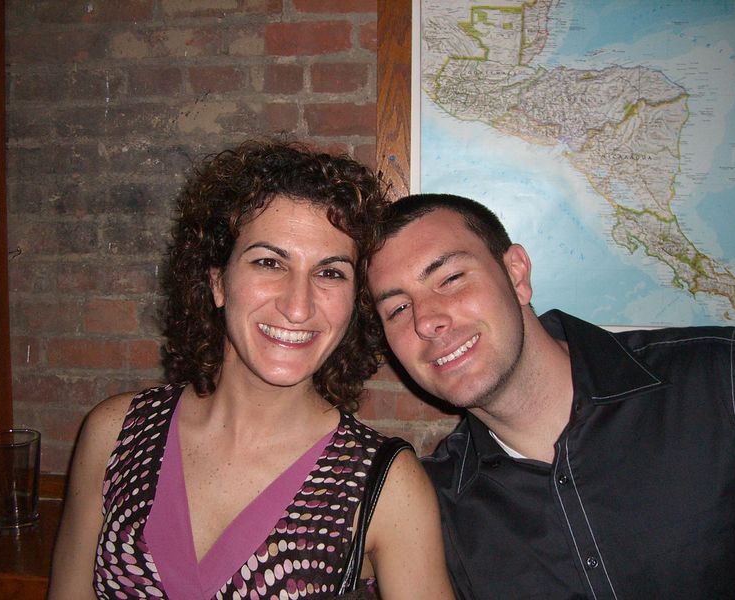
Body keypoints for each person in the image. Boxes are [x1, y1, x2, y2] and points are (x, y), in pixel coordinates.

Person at [49, 141, 455, 600]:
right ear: (218, 282)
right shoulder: (116, 433)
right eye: (269, 262)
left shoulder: (387, 485)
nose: (298, 307)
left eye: (330, 273)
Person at [366, 193, 735, 599]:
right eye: (398, 309)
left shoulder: (724, 378)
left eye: (451, 279)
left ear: (516, 275)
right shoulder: (437, 509)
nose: (427, 321)